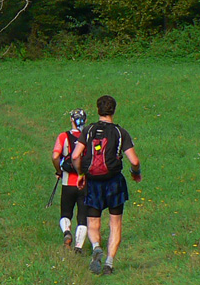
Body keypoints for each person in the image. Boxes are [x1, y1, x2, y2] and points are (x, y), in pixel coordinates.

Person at [71, 95, 142, 277]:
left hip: (93, 182)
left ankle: (96, 246)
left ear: (98, 110)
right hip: (114, 183)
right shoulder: (120, 132)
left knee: (93, 222)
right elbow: (134, 160)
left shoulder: (89, 130)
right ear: (114, 110)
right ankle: (109, 264)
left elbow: (75, 156)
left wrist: (81, 174)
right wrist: (135, 173)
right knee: (115, 223)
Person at [51, 108, 88, 252]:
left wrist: (59, 171)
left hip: (68, 182)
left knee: (66, 213)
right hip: (85, 182)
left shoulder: (63, 136)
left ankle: (67, 231)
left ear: (72, 120)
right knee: (83, 217)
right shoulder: (89, 136)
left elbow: (55, 156)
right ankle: (78, 247)